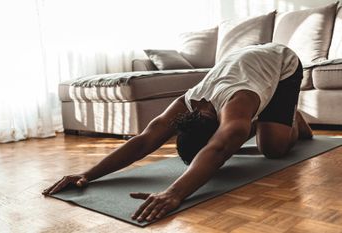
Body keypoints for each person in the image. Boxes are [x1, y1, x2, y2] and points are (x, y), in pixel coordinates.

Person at [42, 43, 313, 222]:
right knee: (246, 130)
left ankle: (291, 118)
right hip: (247, 64)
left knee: (273, 150)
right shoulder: (189, 102)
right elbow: (144, 140)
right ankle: (273, 117)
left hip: (282, 63)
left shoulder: (237, 103)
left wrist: (174, 192)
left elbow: (218, 149)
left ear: (217, 129)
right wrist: (87, 174)